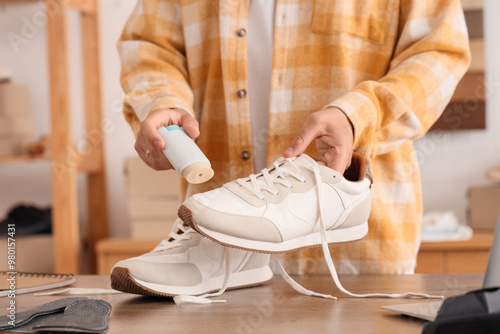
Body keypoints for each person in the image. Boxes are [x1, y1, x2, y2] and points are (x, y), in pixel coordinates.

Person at [112, 0, 470, 299]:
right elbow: (149, 45)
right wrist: (164, 104)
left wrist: (358, 115)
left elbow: (439, 50)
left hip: (359, 259)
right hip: (213, 246)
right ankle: (226, 241)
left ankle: (329, 200)